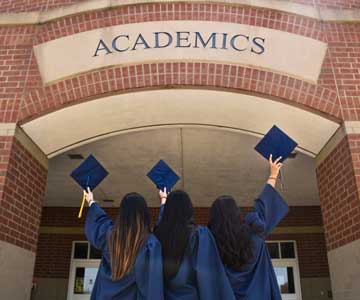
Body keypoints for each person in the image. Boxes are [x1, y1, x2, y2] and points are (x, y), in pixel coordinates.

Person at [208, 154, 289, 300]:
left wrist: (164, 201)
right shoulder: (255, 234)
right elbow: (264, 205)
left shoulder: (211, 245)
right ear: (237, 214)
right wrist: (273, 173)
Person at [154, 188, 236, 300]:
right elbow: (209, 277)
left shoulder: (158, 236)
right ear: (189, 210)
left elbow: (161, 222)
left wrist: (164, 201)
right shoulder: (200, 235)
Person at [84, 188, 164, 300]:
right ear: (144, 214)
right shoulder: (149, 244)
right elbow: (152, 286)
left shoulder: (110, 236)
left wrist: (91, 201)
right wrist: (164, 200)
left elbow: (98, 222)